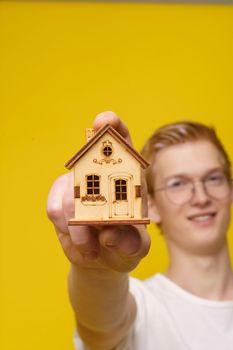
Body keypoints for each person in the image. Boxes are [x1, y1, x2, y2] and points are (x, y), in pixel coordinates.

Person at [47, 111, 233, 350]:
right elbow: (100, 327)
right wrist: (97, 268)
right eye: (178, 183)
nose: (201, 197)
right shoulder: (141, 306)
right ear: (151, 205)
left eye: (213, 179)